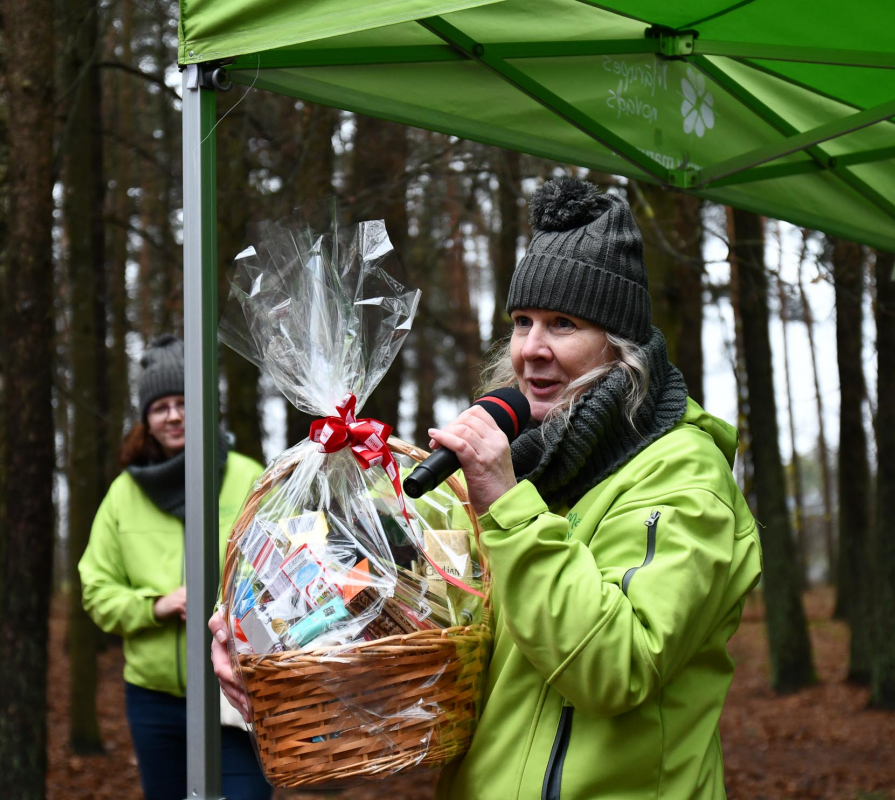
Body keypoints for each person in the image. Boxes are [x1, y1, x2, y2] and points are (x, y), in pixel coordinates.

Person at [212, 178, 762, 798]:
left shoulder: (683, 474)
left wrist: (505, 501)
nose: (531, 350)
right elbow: (406, 612)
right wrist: (264, 630)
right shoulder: (529, 462)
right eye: (522, 321)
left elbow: (615, 667)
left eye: (563, 323)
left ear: (621, 343)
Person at [79, 334, 271, 800]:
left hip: (239, 689)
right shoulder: (124, 494)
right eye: (161, 405)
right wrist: (156, 606)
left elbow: (285, 570)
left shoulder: (248, 476)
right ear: (145, 418)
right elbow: (96, 590)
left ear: (205, 408)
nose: (174, 415)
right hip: (154, 700)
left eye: (184, 402)